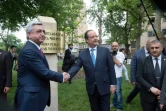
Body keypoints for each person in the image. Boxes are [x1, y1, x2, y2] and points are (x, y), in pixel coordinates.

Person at [14, 20, 70, 111]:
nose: (43, 34)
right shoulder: (29, 50)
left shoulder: (35, 48)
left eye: (43, 31)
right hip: (29, 98)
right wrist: (62, 76)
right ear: (29, 34)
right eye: (39, 31)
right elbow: (44, 72)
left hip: (34, 96)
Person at [65, 30, 116, 111]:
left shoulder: (105, 51)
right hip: (91, 88)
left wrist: (113, 84)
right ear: (86, 40)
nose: (95, 38)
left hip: (104, 86)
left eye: (96, 36)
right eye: (92, 37)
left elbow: (111, 68)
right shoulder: (82, 54)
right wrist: (68, 74)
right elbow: (77, 66)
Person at [136, 40, 166, 111]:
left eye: (157, 47)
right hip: (147, 97)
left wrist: (163, 94)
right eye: (152, 48)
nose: (154, 50)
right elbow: (139, 76)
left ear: (161, 48)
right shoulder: (143, 60)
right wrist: (151, 88)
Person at [126, 38, 155, 104]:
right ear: (146, 45)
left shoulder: (154, 52)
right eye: (151, 46)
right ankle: (128, 99)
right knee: (137, 89)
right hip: (140, 77)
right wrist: (133, 79)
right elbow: (133, 66)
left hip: (150, 77)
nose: (153, 48)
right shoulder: (137, 52)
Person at [110, 42, 125, 111]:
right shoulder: (111, 54)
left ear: (118, 46)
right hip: (111, 76)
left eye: (116, 46)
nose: (114, 47)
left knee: (118, 92)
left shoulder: (121, 54)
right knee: (114, 91)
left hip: (118, 76)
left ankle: (119, 107)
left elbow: (119, 64)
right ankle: (114, 103)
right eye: (113, 46)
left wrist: (113, 57)